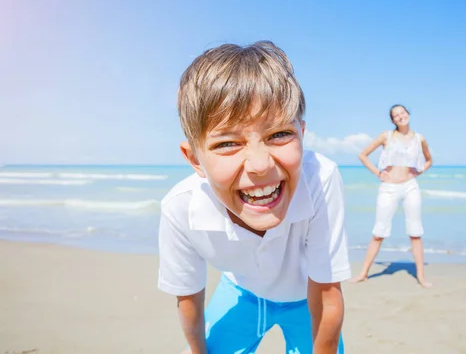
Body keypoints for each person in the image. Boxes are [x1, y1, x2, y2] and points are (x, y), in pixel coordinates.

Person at [157, 41, 351, 354]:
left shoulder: (320, 178)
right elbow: (188, 297)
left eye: (279, 134)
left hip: (307, 298)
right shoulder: (181, 207)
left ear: (302, 133)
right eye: (226, 143)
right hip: (240, 291)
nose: (260, 166)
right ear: (194, 159)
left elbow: (327, 290)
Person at [350, 104, 433, 288]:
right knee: (379, 233)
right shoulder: (386, 136)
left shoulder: (419, 139)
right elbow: (363, 155)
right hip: (389, 188)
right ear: (393, 120)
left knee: (415, 232)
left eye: (402, 113)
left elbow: (429, 160)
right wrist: (378, 173)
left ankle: (421, 276)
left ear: (408, 114)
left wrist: (418, 172)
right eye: (396, 115)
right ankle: (363, 273)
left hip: (410, 187)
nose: (400, 116)